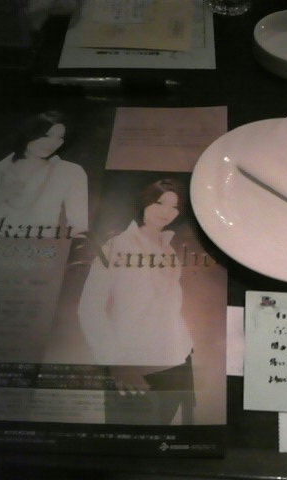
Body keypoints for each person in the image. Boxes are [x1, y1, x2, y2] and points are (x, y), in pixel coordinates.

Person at [77, 178, 195, 425]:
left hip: (176, 361)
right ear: (145, 202)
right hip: (133, 363)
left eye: (174, 207)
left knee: (164, 434)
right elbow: (90, 308)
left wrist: (185, 343)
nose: (166, 212)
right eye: (159, 202)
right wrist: (116, 362)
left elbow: (170, 305)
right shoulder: (116, 245)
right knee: (130, 433)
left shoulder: (169, 251)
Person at [0, 110, 88, 237]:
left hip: (37, 252)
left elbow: (79, 228)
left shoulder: (70, 172)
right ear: (29, 133)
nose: (53, 143)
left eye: (60, 137)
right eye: (46, 135)